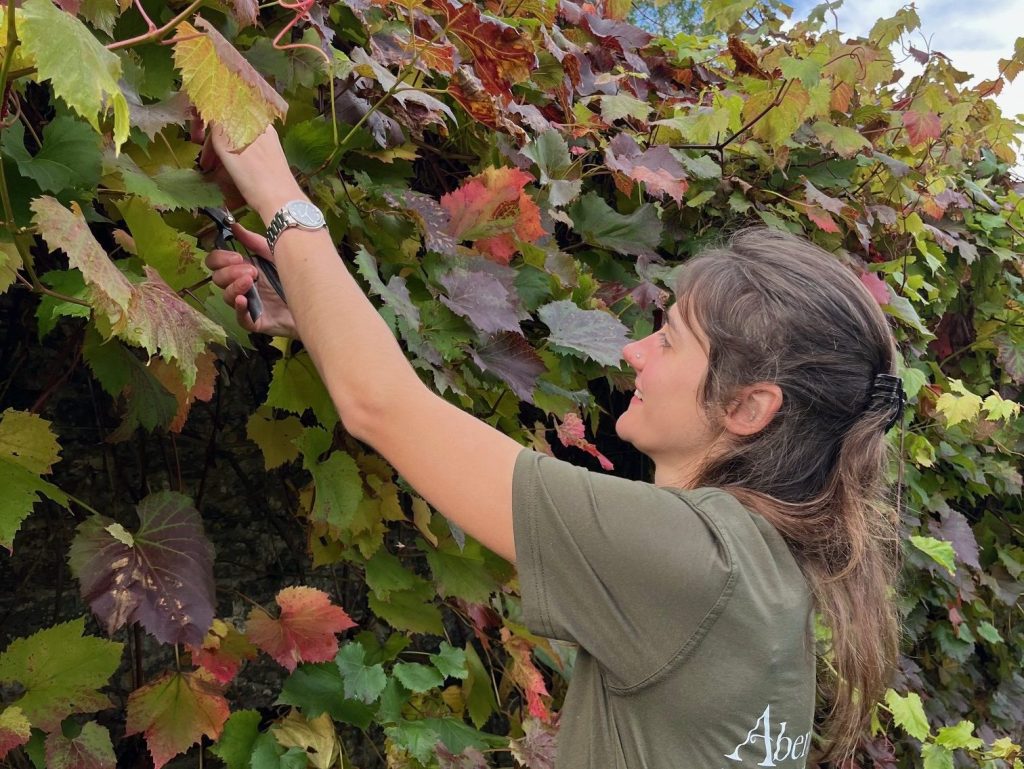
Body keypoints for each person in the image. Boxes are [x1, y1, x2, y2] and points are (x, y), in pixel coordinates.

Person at [201, 122, 905, 768]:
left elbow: (383, 405)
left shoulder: (690, 560)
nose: (634, 351)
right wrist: (312, 313)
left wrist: (276, 186)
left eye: (669, 339)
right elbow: (431, 428)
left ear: (749, 406)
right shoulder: (762, 565)